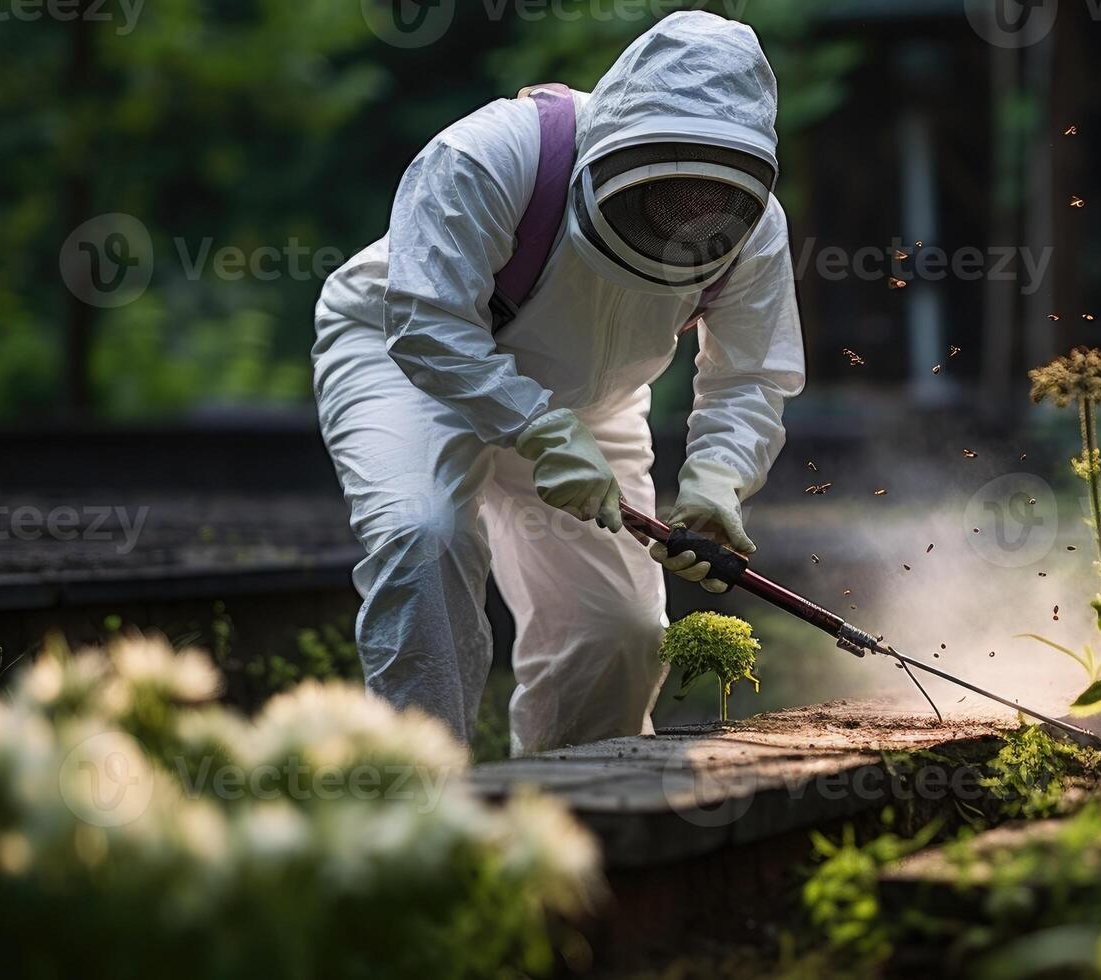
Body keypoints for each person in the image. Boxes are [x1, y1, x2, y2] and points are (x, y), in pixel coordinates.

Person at [310, 12, 804, 753]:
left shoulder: (756, 231)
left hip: (588, 408)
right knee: (424, 538)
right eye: (674, 188)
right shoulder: (491, 152)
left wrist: (715, 482)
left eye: (710, 198)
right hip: (409, 367)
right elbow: (426, 319)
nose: (689, 216)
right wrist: (536, 428)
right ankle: (418, 809)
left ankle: (571, 819)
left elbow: (751, 376)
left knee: (620, 633)